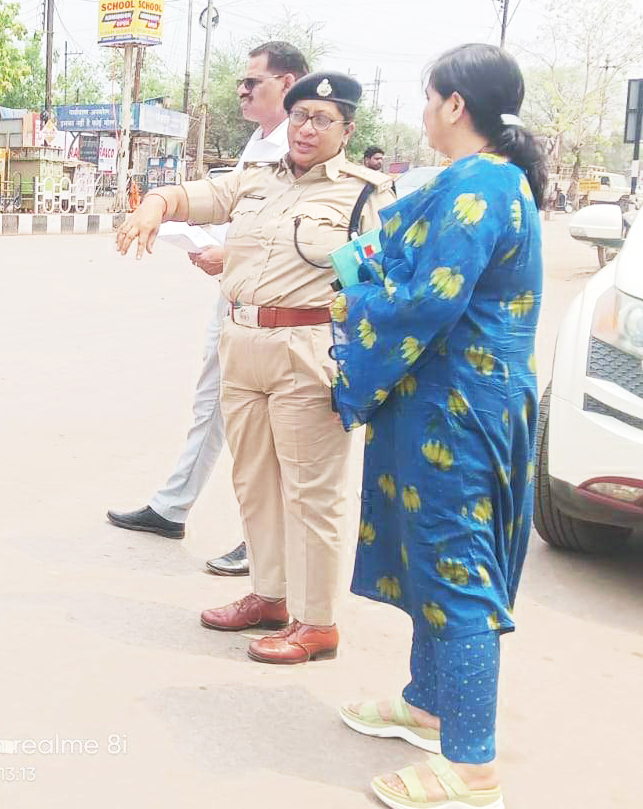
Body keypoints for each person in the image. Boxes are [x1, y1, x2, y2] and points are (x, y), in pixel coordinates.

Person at [115, 70, 394, 664]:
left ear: (347, 130)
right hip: (242, 345)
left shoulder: (365, 196)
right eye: (299, 116)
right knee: (254, 481)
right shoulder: (255, 179)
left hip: (307, 351)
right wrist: (152, 207)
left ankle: (316, 622)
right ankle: (269, 597)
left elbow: (385, 284)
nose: (307, 129)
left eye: (322, 120)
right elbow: (191, 196)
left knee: (311, 494)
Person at [329, 43, 544, 809]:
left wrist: (356, 297)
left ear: (456, 104)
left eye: (428, 97)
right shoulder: (481, 179)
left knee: (457, 572)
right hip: (443, 401)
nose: (423, 111)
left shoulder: (481, 185)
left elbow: (428, 300)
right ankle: (428, 706)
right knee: (431, 559)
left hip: (459, 411)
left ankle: (473, 766)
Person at [106, 41, 311, 576]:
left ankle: (265, 540)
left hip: (281, 311)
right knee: (213, 404)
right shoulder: (260, 142)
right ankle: (173, 507)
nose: (242, 90)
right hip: (237, 299)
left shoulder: (302, 149)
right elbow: (226, 205)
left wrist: (233, 253)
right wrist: (164, 210)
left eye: (253, 81)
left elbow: (305, 237)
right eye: (242, 81)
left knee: (270, 425)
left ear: (288, 84)